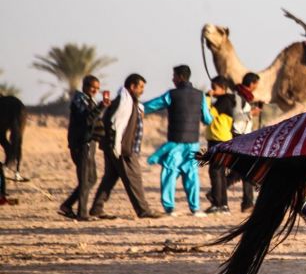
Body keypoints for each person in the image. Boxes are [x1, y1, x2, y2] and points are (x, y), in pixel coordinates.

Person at [143, 65, 212, 217]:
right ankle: (195, 209)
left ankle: (170, 209)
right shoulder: (200, 95)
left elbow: (151, 106)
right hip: (193, 144)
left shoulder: (172, 95)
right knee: (192, 176)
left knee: (169, 174)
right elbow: (208, 119)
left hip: (175, 144)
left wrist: (138, 107)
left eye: (174, 76)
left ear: (180, 77)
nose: (172, 79)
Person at [89, 74, 161, 219]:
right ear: (132, 87)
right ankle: (143, 210)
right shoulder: (123, 103)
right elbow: (116, 125)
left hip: (117, 146)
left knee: (110, 177)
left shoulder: (130, 102)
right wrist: (117, 147)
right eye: (140, 87)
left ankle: (97, 208)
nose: (142, 91)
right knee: (134, 177)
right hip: (122, 147)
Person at [60, 75, 109, 220]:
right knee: (84, 179)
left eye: (97, 88)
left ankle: (67, 205)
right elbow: (87, 119)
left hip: (90, 143)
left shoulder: (90, 101)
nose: (95, 91)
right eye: (93, 87)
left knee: (91, 178)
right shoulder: (79, 100)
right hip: (81, 144)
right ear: (85, 86)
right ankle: (82, 213)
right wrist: (101, 107)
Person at [205, 76, 236, 214]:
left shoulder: (224, 101)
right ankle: (223, 205)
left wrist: (207, 97)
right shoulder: (226, 100)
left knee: (215, 171)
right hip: (222, 139)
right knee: (220, 173)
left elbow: (208, 114)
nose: (212, 90)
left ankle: (217, 204)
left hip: (218, 139)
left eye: (214, 87)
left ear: (223, 88)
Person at [231, 72, 262, 212]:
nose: (256, 87)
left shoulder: (245, 97)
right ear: (251, 84)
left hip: (244, 136)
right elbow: (236, 115)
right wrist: (251, 113)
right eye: (256, 84)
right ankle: (247, 204)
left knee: (242, 170)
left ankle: (216, 193)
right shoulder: (238, 97)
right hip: (239, 135)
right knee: (247, 171)